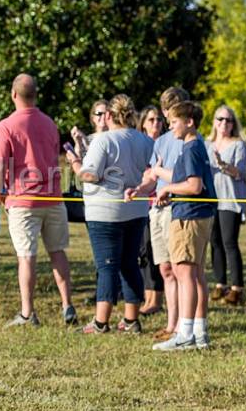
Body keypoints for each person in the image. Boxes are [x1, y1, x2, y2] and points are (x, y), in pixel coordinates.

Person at [0, 74, 76, 328]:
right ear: (35, 94)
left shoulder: (6, 125)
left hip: (23, 200)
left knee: (26, 257)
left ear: (13, 95)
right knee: (57, 253)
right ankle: (67, 305)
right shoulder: (50, 123)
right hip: (53, 197)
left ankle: (28, 313)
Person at [132, 100, 216, 351]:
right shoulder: (194, 145)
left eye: (174, 122)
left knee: (185, 273)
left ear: (189, 122)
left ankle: (186, 333)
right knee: (195, 273)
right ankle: (199, 332)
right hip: (195, 213)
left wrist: (167, 188)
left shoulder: (190, 148)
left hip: (189, 215)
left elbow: (194, 186)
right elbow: (185, 179)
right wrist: (159, 178)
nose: (171, 126)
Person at [68, 94, 152, 334]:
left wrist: (75, 164)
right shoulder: (144, 140)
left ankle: (100, 322)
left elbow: (90, 174)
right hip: (136, 209)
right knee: (130, 264)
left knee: (106, 266)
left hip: (105, 211)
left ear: (109, 116)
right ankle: (131, 319)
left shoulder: (103, 140)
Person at [144, 87, 190, 341]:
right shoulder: (160, 141)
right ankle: (171, 324)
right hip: (157, 210)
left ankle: (185, 324)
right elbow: (152, 176)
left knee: (180, 269)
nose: (168, 119)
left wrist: (160, 174)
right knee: (165, 269)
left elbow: (181, 178)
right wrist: (139, 188)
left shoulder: (190, 140)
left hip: (178, 209)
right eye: (165, 112)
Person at [206, 105, 246, 306]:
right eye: (220, 119)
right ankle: (220, 283)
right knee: (214, 242)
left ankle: (237, 288)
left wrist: (222, 165)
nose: (224, 123)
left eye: (228, 120)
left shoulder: (239, 145)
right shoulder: (207, 144)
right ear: (214, 121)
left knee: (229, 243)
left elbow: (240, 172)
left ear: (234, 124)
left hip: (230, 200)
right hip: (210, 199)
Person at [136, 105, 165, 315]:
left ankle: (156, 299)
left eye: (159, 120)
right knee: (143, 251)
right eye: (151, 120)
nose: (156, 123)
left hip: (158, 204)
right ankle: (147, 297)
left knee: (155, 251)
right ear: (143, 123)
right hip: (139, 204)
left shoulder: (165, 145)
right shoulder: (139, 145)